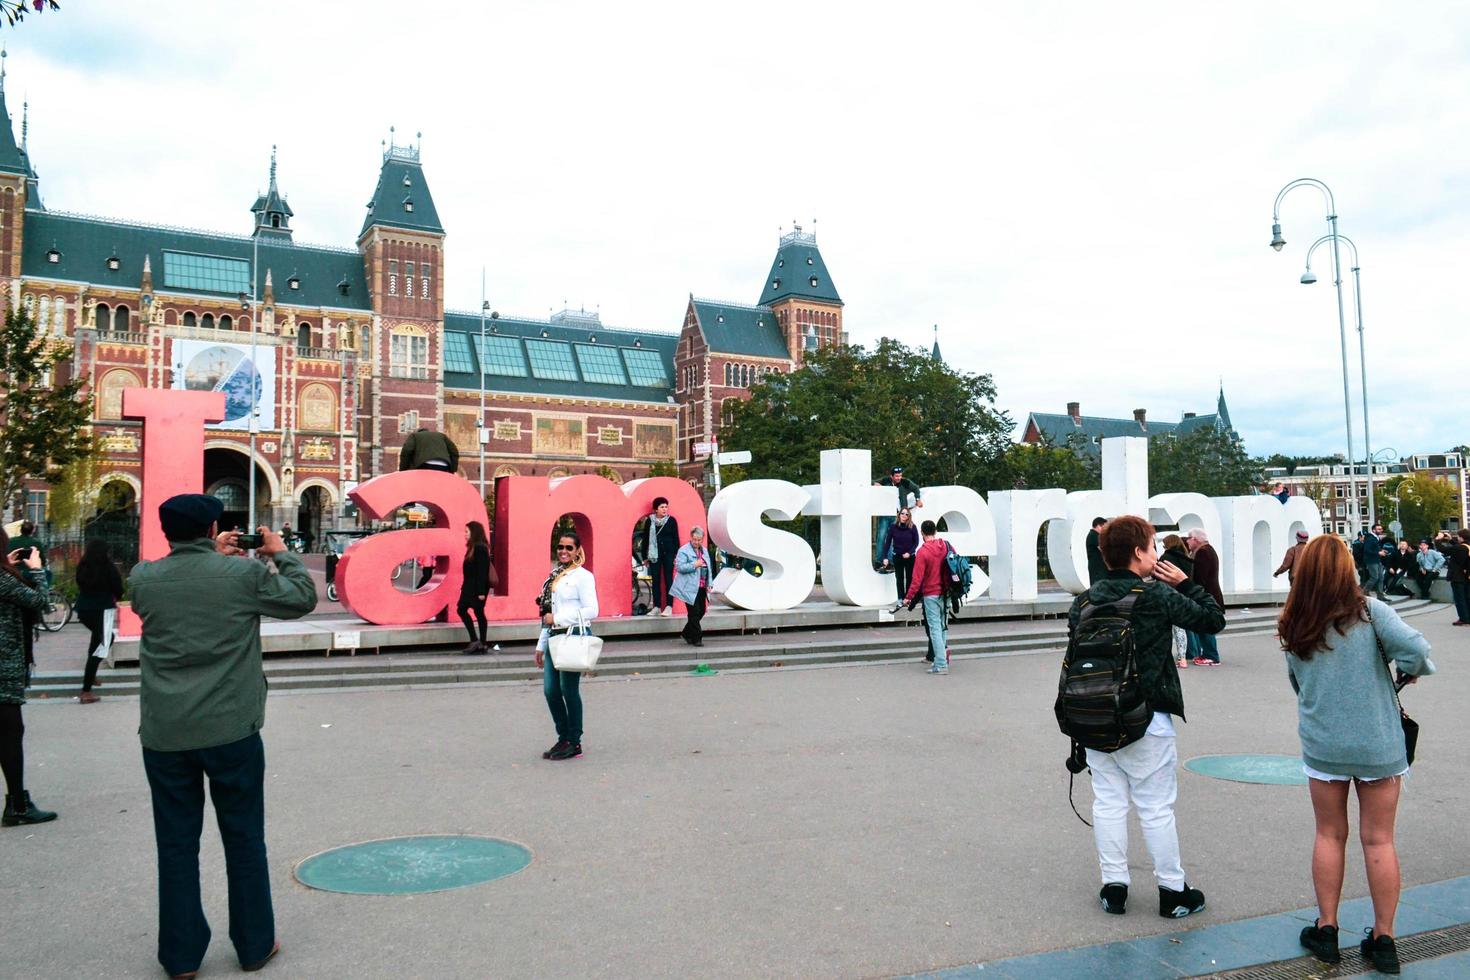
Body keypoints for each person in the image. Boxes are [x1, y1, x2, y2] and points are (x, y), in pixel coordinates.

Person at [130, 494, 317, 979]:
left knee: (174, 845)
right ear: (213, 526)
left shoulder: (144, 578)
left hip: (166, 733)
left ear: (166, 530)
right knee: (243, 837)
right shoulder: (243, 576)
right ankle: (254, 946)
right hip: (231, 729)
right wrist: (278, 551)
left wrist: (209, 553)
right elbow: (301, 598)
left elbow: (185, 582)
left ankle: (181, 956)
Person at [1278, 534, 1435, 972]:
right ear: (1348, 569)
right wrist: (1408, 672)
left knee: (1329, 834)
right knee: (1379, 839)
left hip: (1324, 743)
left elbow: (1297, 683)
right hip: (1378, 743)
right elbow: (1419, 651)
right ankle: (1384, 940)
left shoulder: (1294, 619)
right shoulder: (1371, 612)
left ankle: (1326, 929)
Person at [1067, 515, 1225, 919]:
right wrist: (1184, 583)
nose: (1156, 553)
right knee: (1155, 806)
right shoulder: (1154, 596)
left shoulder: (1083, 602)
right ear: (1139, 552)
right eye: (1153, 546)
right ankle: (1172, 890)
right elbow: (1212, 619)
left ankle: (1114, 887)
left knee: (1108, 802)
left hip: (1096, 715)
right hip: (1147, 716)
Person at [0, 528, 55, 828]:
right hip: (4, 668)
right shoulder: (2, 579)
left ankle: (17, 801)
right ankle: (17, 806)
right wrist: (37, 571)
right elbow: (41, 602)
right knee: (10, 736)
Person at [535, 530, 598, 760]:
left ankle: (574, 741)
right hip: (553, 637)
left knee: (568, 690)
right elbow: (547, 613)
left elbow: (592, 610)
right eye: (560, 547)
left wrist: (559, 619)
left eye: (569, 548)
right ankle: (563, 737)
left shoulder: (583, 576)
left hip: (574, 635)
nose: (563, 551)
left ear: (578, 550)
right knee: (550, 691)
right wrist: (540, 645)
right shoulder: (555, 576)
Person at [74, 539, 125, 704]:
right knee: (105, 642)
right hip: (104, 609)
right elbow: (118, 588)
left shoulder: (83, 566)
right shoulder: (108, 568)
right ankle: (86, 691)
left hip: (84, 610)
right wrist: (117, 596)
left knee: (97, 640)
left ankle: (91, 674)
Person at [903, 520, 951, 675]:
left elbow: (916, 579)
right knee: (943, 627)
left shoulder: (922, 552)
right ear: (935, 531)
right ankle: (939, 662)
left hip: (931, 595)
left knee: (935, 629)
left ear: (922, 533)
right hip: (947, 593)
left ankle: (941, 664)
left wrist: (908, 597)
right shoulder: (946, 546)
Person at [1186, 529, 1225, 666]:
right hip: (1210, 593)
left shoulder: (1202, 552)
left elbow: (1200, 577)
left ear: (1196, 539)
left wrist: (1194, 592)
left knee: (1206, 625)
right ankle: (1208, 654)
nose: (1187, 540)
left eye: (1189, 538)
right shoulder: (1208, 550)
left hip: (1206, 594)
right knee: (1204, 624)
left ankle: (1211, 655)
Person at [671, 526, 713, 647]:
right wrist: (694, 564)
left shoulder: (704, 551)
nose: (697, 542)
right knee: (694, 613)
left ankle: (686, 633)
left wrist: (709, 584)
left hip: (701, 587)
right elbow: (679, 567)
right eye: (695, 539)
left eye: (699, 540)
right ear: (691, 538)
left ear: (702, 539)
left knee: (702, 611)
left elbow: (709, 568)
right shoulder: (683, 550)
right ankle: (697, 638)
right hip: (689, 587)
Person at [638, 497, 679, 617]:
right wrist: (645, 557)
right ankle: (656, 606)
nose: (664, 509)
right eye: (662, 507)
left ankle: (669, 606)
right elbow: (645, 539)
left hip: (669, 554)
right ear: (656, 509)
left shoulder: (671, 521)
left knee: (668, 579)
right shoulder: (649, 521)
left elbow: (676, 539)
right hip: (654, 555)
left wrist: (677, 555)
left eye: (666, 506)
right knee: (655, 580)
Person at [456, 521, 493, 654]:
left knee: (477, 613)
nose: (465, 534)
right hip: (469, 588)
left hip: (476, 589)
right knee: (464, 610)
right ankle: (477, 641)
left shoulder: (480, 548)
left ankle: (480, 642)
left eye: (467, 532)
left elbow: (482, 571)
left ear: (474, 533)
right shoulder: (473, 548)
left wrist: (481, 592)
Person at [874, 466, 923, 564]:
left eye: (900, 476)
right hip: (885, 513)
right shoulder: (885, 480)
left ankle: (891, 561)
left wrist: (918, 499)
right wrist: (876, 484)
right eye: (896, 476)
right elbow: (872, 482)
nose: (899, 478)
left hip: (898, 516)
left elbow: (916, 488)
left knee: (894, 538)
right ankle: (879, 561)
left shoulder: (904, 482)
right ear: (891, 476)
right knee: (881, 537)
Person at [1160, 534, 1194, 669]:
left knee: (1166, 629)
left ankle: (1165, 657)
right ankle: (1183, 658)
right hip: (1183, 595)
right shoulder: (1187, 558)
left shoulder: (1166, 558)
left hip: (1167, 596)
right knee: (1180, 629)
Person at [880, 508, 920, 601]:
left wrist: (909, 553)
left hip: (910, 557)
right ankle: (900, 599)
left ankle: (908, 598)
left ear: (909, 516)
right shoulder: (893, 527)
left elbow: (916, 542)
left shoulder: (912, 527)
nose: (904, 515)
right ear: (899, 514)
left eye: (906, 514)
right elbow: (887, 543)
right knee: (899, 579)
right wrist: (885, 557)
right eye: (903, 513)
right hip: (897, 556)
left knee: (910, 578)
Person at [1447, 529, 1470, 626]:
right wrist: (1451, 540)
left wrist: (1437, 539)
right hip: (1467, 576)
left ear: (1461, 537)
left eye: (1458, 536)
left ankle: (1463, 619)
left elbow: (1444, 550)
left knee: (1459, 599)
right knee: (1467, 598)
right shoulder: (1468, 547)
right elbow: (1458, 547)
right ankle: (1467, 617)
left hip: (1457, 577)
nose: (1458, 538)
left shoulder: (1460, 548)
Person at [1362, 523, 1389, 600]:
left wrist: (1382, 550)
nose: (1381, 530)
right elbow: (1367, 550)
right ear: (1374, 530)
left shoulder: (1376, 538)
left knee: (1381, 577)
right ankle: (1364, 592)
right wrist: (1378, 552)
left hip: (1377, 560)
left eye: (1381, 529)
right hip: (1371, 561)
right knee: (1374, 577)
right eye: (1379, 529)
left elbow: (1375, 549)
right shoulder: (1370, 538)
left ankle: (1380, 596)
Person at [1086, 517, 1108, 585]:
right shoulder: (1094, 535)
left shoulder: (1094, 535)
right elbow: (1103, 549)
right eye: (1103, 527)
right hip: (1097, 568)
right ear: (1098, 526)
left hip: (1099, 567)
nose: (1104, 529)